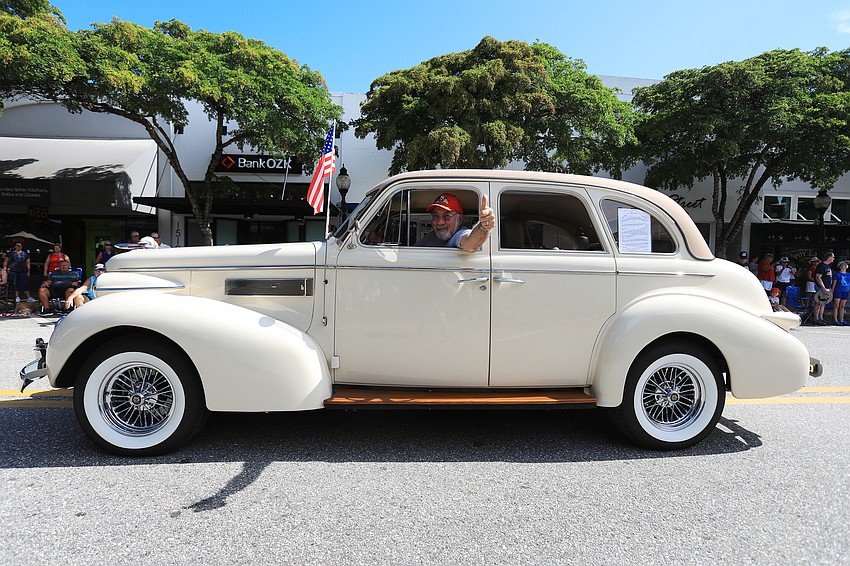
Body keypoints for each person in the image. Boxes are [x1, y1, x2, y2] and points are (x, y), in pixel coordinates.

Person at [414, 193, 495, 251]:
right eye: (436, 216)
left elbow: (470, 244)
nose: (440, 222)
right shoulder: (429, 237)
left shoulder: (459, 234)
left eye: (447, 216)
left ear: (460, 220)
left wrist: (483, 227)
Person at [812, 252, 835, 325]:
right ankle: (816, 318)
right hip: (821, 287)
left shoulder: (827, 266)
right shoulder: (821, 266)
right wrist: (823, 287)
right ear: (829, 257)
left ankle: (821, 318)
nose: (834, 259)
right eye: (833, 257)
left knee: (823, 303)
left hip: (827, 287)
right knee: (818, 302)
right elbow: (818, 277)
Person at [831, 260, 850, 326]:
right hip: (838, 290)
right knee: (836, 305)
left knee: (842, 306)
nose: (845, 266)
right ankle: (835, 319)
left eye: (845, 265)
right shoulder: (837, 274)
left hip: (846, 291)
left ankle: (841, 320)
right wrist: (832, 291)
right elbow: (834, 283)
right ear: (840, 266)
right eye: (843, 265)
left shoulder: (848, 274)